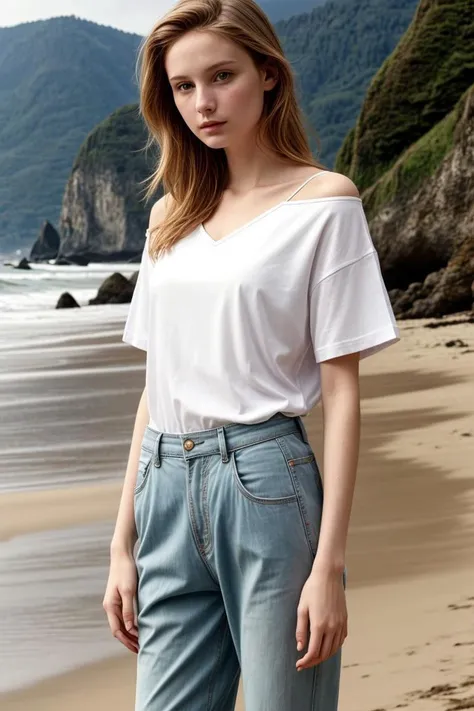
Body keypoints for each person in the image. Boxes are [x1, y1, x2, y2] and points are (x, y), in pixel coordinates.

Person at [102, 0, 400, 709]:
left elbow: (345, 391)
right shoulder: (168, 217)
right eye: (182, 86)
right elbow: (157, 383)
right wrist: (123, 543)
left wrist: (328, 564)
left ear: (269, 75)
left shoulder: (324, 204)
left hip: (267, 486)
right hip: (164, 487)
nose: (202, 103)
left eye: (222, 76)